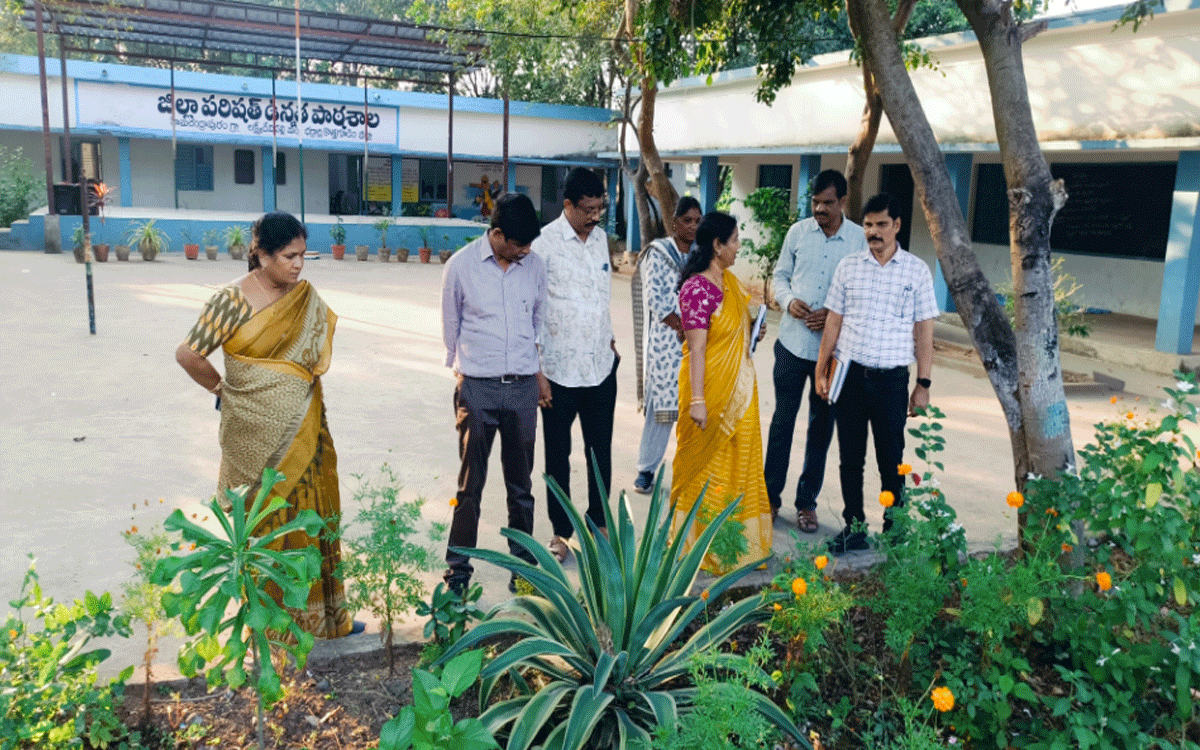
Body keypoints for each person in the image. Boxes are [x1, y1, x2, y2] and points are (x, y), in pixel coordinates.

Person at [175, 211, 353, 639]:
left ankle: (326, 618)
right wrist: (223, 390)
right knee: (269, 519)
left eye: (302, 256)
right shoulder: (231, 301)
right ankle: (273, 627)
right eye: (289, 256)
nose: (298, 265)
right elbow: (188, 354)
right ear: (262, 255)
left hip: (306, 428)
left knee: (311, 514)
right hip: (253, 434)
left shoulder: (303, 297)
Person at [815, 193, 938, 555]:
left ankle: (895, 528)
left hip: (891, 381)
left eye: (882, 224)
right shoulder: (848, 267)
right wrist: (822, 370)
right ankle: (854, 527)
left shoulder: (916, 271)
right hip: (849, 377)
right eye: (868, 225)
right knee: (850, 457)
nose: (874, 232)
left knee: (892, 458)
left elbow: (924, 331)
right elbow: (833, 321)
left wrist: (923, 384)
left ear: (897, 225)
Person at [440, 193, 549, 594]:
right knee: (470, 486)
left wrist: (536, 373)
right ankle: (458, 572)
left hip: (521, 388)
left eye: (529, 245)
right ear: (497, 234)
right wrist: (462, 377)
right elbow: (450, 325)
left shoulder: (534, 266)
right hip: (478, 388)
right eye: (519, 244)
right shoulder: (460, 267)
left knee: (521, 486)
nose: (525, 252)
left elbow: (537, 320)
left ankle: (522, 568)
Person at [763, 170, 868, 532]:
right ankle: (769, 497)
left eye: (827, 202)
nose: (820, 209)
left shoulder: (858, 240)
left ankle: (806, 503)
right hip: (792, 345)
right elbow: (778, 276)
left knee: (820, 429)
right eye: (816, 202)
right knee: (782, 422)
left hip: (833, 353)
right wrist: (789, 300)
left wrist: (834, 314)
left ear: (842, 202)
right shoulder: (798, 233)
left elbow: (863, 292)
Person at [670, 211, 773, 573]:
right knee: (707, 469)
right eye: (734, 240)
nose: (739, 247)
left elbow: (734, 337)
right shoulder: (696, 289)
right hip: (706, 394)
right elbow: (697, 348)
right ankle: (700, 545)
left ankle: (737, 546)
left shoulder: (731, 284)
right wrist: (697, 401)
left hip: (741, 393)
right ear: (717, 245)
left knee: (739, 465)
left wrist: (752, 331)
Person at [532, 167, 618, 562]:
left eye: (600, 208)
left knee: (600, 450)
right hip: (558, 371)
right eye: (588, 209)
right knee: (557, 456)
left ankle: (599, 521)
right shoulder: (543, 244)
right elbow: (532, 308)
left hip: (600, 366)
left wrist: (610, 342)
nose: (595, 216)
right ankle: (561, 531)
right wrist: (538, 369)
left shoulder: (600, 239)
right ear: (567, 205)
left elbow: (599, 297)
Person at [631, 196, 702, 494]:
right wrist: (684, 328)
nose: (693, 227)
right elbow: (657, 301)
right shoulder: (658, 254)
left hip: (696, 342)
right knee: (663, 409)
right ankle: (646, 469)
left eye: (698, 221)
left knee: (694, 407)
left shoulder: (701, 254)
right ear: (673, 223)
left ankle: (692, 471)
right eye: (687, 220)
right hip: (665, 344)